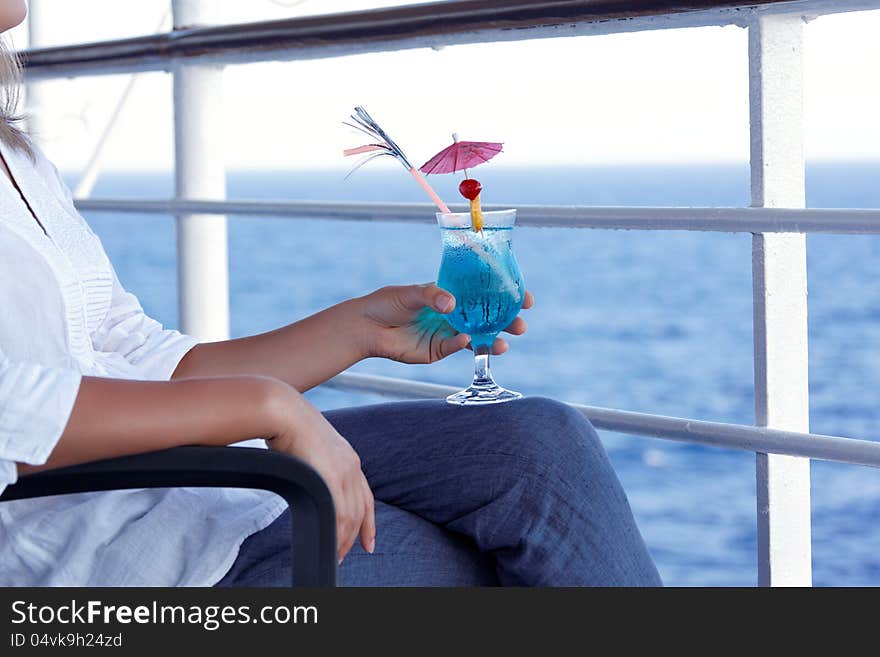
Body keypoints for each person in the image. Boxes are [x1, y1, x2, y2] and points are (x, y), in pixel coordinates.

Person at [0, 1, 661, 587]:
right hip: (104, 544)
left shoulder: (21, 162)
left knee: (544, 443)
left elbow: (138, 356)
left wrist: (359, 329)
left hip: (194, 478)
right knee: (467, 564)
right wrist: (268, 405)